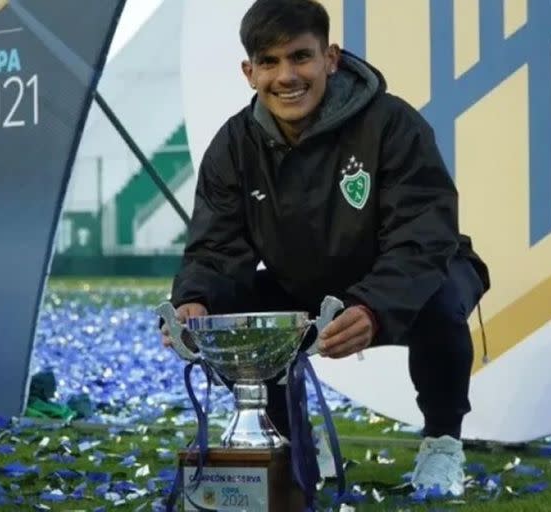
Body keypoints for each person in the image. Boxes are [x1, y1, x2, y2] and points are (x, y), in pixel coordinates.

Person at [160, 0, 490, 497]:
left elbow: (422, 236)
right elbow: (216, 249)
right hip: (309, 285)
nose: (286, 76)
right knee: (221, 317)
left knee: (441, 298)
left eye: (300, 57)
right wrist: (195, 302)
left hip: (413, 275)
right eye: (269, 63)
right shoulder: (233, 146)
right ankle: (291, 439)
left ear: (330, 58)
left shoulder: (393, 124)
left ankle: (442, 444)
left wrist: (374, 306)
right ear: (249, 72)